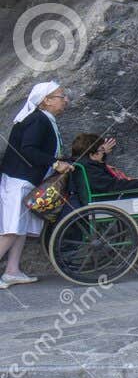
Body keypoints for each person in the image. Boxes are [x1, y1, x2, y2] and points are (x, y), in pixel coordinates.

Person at [0, 82, 74, 287]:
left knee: (20, 228)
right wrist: (55, 163)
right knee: (12, 228)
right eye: (61, 96)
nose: (65, 100)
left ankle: (12, 270)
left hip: (25, 180)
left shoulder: (43, 119)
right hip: (19, 180)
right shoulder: (37, 120)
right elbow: (28, 149)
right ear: (46, 101)